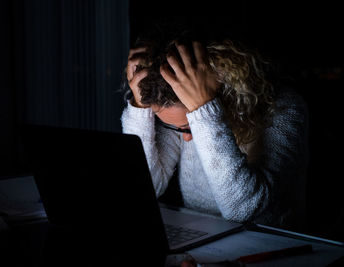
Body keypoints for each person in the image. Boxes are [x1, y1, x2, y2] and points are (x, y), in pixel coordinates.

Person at [120, 22, 309, 231]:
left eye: (188, 126)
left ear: (228, 93)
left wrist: (203, 110)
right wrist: (139, 108)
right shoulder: (174, 109)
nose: (188, 139)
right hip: (203, 235)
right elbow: (148, 188)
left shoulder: (284, 108)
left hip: (269, 244)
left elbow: (243, 210)